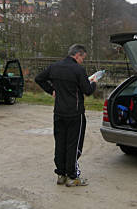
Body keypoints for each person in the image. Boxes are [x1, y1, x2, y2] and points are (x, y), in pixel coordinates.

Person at [35, 44, 97, 187]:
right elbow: (87, 91)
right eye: (83, 58)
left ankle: (61, 174)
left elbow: (39, 78)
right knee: (73, 145)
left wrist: (51, 90)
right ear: (77, 55)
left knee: (60, 143)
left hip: (59, 113)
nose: (83, 61)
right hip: (75, 113)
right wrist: (93, 83)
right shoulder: (78, 69)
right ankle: (72, 176)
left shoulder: (54, 66)